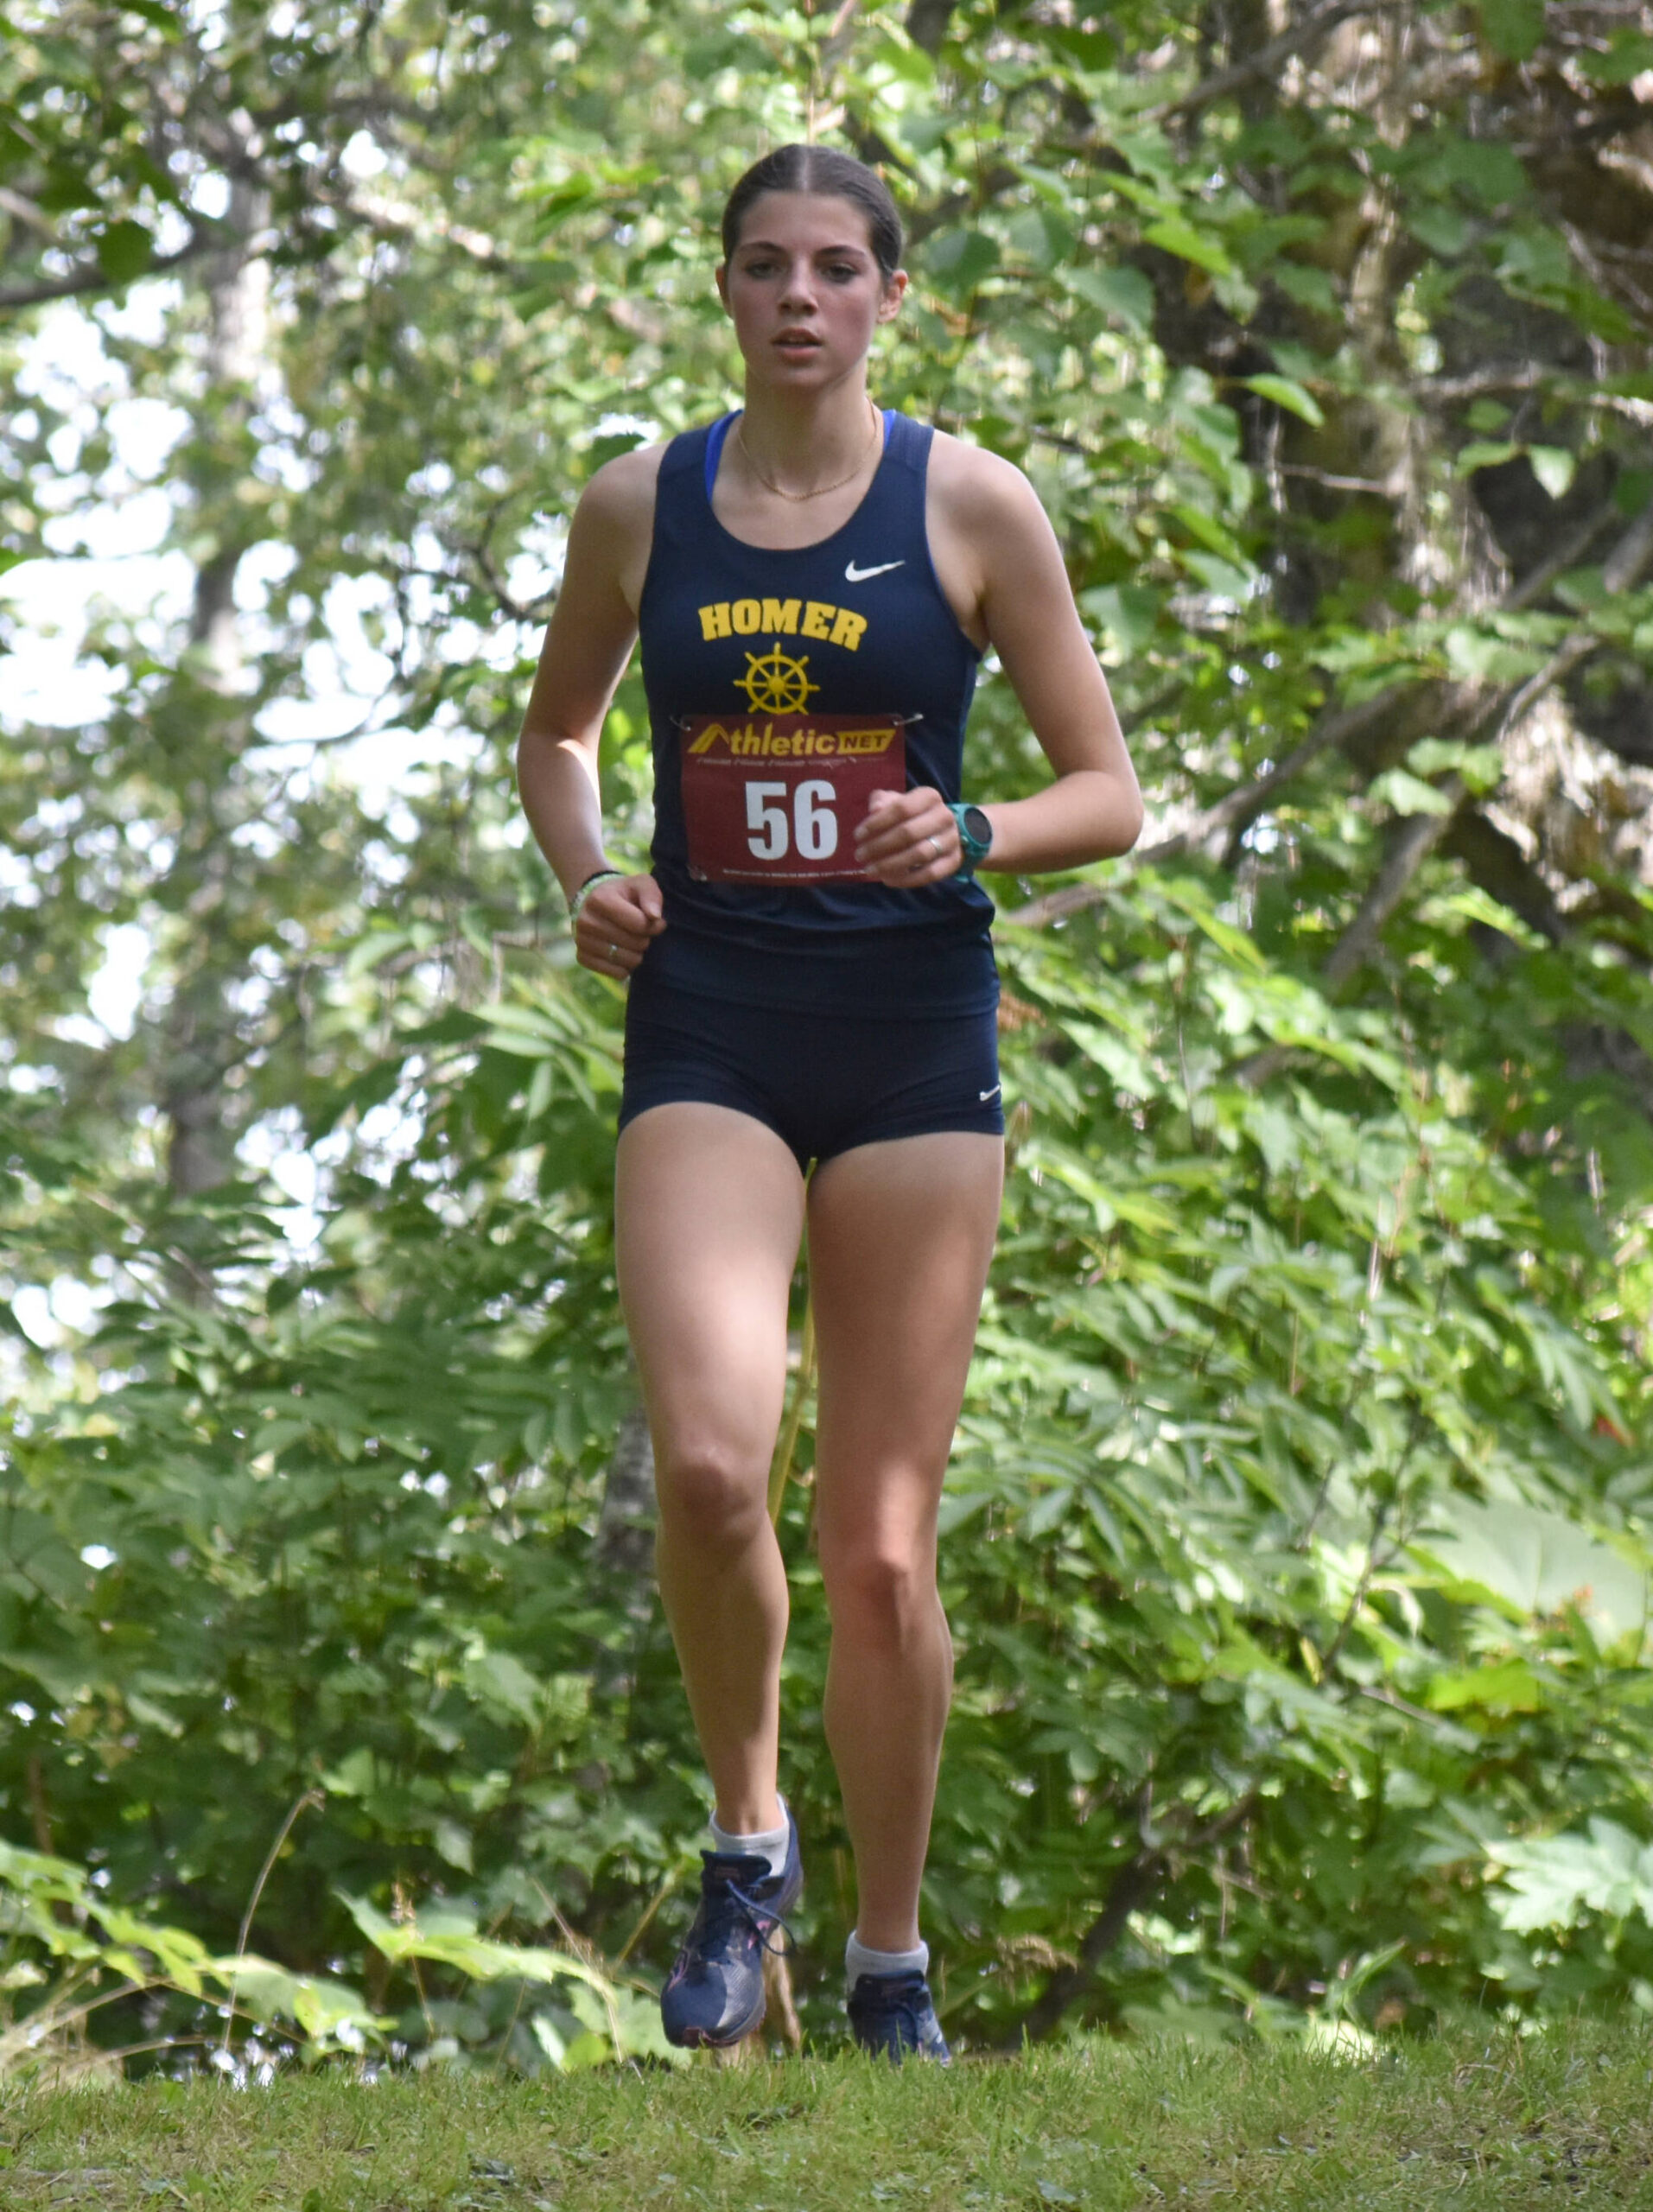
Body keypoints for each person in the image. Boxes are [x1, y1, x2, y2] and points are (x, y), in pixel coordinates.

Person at [516, 142, 1141, 2063]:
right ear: (724, 289)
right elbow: (554, 735)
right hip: (709, 1017)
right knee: (711, 1469)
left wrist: (969, 823)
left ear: (889, 297)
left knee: (879, 1546)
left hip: (909, 1034)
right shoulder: (644, 502)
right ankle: (748, 1839)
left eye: (838, 267)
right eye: (767, 265)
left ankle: (890, 1965)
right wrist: (587, 872)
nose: (802, 295)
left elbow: (1107, 795)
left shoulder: (970, 501)